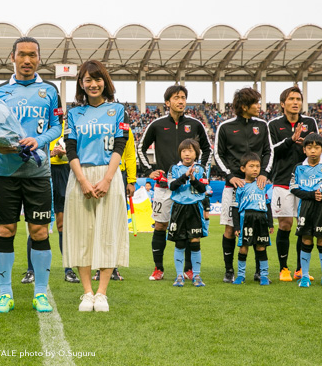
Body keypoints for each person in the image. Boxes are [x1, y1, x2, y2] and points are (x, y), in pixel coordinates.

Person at [0, 37, 62, 313]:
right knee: (5, 230)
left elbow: (57, 126)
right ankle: (5, 294)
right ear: (13, 57)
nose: (28, 60)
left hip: (39, 174)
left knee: (39, 231)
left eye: (33, 55)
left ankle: (40, 293)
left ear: (39, 59)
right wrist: (0, 145)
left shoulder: (50, 90)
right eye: (22, 55)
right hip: (6, 174)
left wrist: (39, 139)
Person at [63, 60, 129, 312]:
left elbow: (119, 146)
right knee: (82, 233)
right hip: (80, 176)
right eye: (87, 80)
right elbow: (70, 148)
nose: (93, 84)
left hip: (108, 176)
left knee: (107, 232)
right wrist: (82, 180)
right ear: (81, 84)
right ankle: (87, 292)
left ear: (105, 81)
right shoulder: (74, 113)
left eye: (97, 79)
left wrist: (107, 179)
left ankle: (102, 293)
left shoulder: (118, 110)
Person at [137, 85, 211, 281]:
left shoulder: (195, 124)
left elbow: (207, 149)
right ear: (167, 102)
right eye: (177, 98)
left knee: (189, 229)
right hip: (164, 187)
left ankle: (188, 270)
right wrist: (148, 171)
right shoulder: (157, 125)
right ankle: (158, 268)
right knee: (160, 226)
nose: (181, 101)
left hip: (189, 188)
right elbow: (140, 148)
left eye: (184, 97)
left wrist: (201, 169)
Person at [215, 88, 273, 283]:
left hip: (258, 187)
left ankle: (258, 271)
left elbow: (268, 152)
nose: (259, 106)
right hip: (233, 187)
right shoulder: (225, 127)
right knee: (230, 229)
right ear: (244, 106)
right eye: (256, 103)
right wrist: (230, 176)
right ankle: (229, 270)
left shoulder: (262, 125)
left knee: (259, 226)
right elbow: (218, 155)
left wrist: (263, 173)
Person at [268, 86, 319, 282]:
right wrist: (291, 140)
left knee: (303, 226)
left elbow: (317, 146)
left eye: (298, 98)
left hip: (306, 181)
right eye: (291, 99)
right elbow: (271, 151)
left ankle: (300, 269)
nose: (296, 102)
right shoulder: (273, 125)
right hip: (282, 181)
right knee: (286, 224)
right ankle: (283, 268)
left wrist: (308, 144)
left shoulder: (310, 122)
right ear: (283, 104)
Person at [290, 133, 322, 288]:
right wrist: (311, 195)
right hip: (305, 206)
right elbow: (293, 188)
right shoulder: (299, 168)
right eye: (309, 147)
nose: (313, 151)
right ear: (304, 150)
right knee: (306, 239)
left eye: (316, 147)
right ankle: (304, 276)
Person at [93, 126, 136, 282]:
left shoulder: (125, 130)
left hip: (119, 174)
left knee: (114, 223)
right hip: (97, 171)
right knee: (97, 221)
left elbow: (130, 155)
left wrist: (131, 180)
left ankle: (113, 267)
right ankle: (98, 267)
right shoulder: (98, 126)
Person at [168, 139, 207, 287]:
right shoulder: (174, 168)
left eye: (190, 151)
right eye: (184, 151)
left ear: (196, 153)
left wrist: (192, 179)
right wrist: (184, 176)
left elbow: (203, 189)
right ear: (180, 153)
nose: (187, 154)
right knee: (180, 242)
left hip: (194, 208)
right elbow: (172, 186)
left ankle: (196, 275)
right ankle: (179, 276)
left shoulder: (201, 169)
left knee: (195, 241)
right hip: (178, 208)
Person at [231, 153, 274, 285]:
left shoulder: (262, 185)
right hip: (246, 219)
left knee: (261, 247)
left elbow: (268, 205)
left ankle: (264, 275)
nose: (255, 169)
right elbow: (234, 208)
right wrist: (237, 226)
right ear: (243, 169)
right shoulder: (239, 186)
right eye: (251, 166)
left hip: (261, 218)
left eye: (258, 166)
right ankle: (241, 275)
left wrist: (270, 223)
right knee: (243, 247)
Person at [49, 122, 80, 283]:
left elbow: (78, 151)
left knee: (63, 225)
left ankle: (68, 269)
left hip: (63, 173)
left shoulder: (67, 126)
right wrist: (49, 153)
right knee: (36, 224)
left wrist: (64, 153)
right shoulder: (36, 121)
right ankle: (31, 270)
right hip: (42, 172)